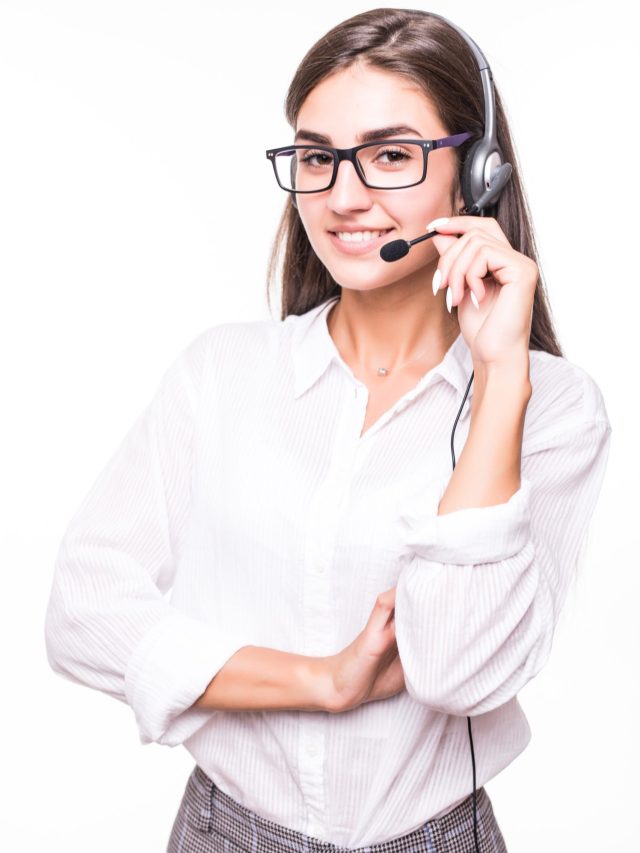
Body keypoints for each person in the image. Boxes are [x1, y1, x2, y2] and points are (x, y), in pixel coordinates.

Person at [44, 7, 612, 853]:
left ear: (478, 175)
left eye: (391, 155)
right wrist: (318, 681)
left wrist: (498, 375)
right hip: (221, 832)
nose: (345, 197)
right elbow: (82, 611)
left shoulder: (552, 406)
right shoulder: (221, 373)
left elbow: (459, 670)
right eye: (318, 158)